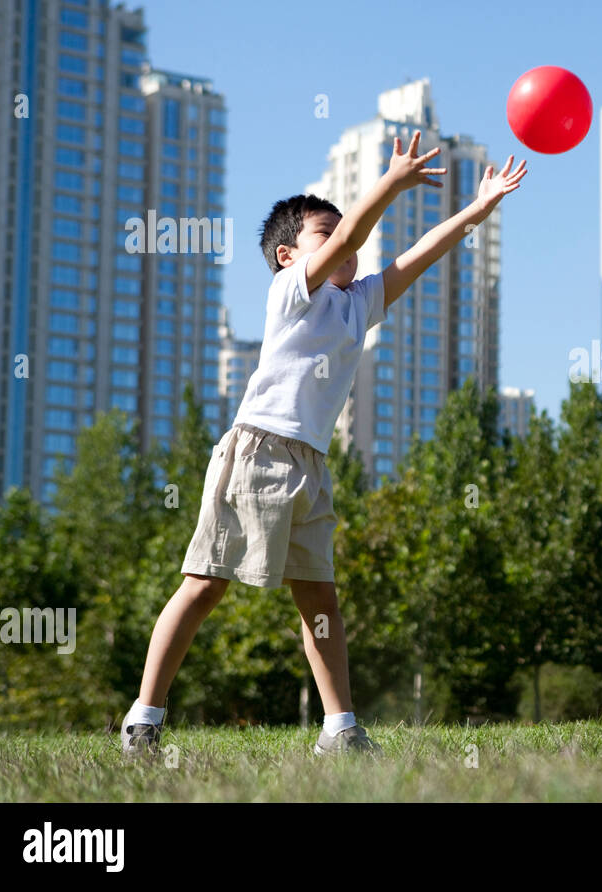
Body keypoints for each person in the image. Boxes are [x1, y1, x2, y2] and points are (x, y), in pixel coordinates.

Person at [120, 132, 526, 758]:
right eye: (324, 233)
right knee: (205, 584)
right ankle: (144, 717)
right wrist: (390, 182)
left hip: (312, 463)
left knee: (320, 599)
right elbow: (352, 238)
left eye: (342, 233)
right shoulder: (292, 295)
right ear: (288, 255)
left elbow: (415, 257)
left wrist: (477, 210)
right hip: (257, 450)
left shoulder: (356, 305)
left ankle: (340, 731)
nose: (345, 243)